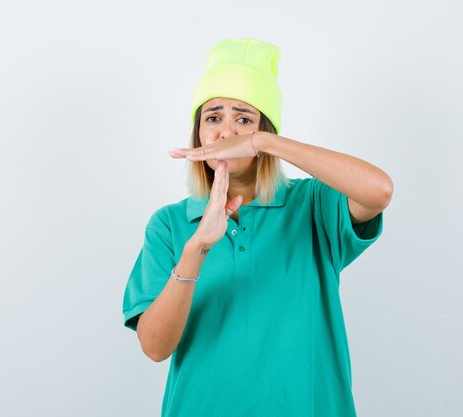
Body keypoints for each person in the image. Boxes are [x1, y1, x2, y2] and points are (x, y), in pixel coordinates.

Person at [121, 38, 393, 417]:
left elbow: (379, 190)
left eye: (244, 119)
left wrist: (266, 141)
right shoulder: (169, 224)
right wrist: (197, 247)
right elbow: (154, 347)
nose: (226, 132)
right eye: (213, 118)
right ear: (198, 134)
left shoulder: (312, 204)